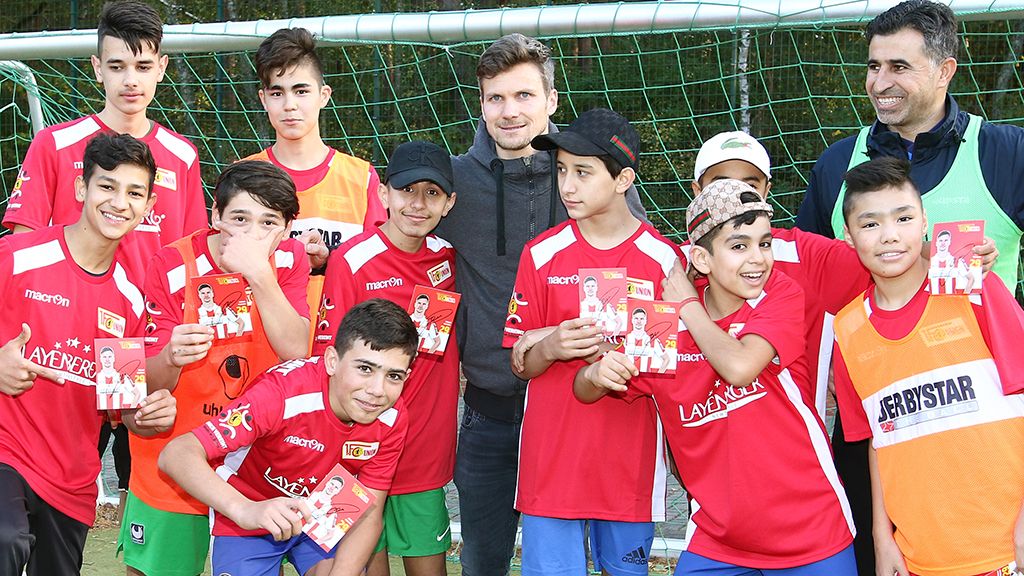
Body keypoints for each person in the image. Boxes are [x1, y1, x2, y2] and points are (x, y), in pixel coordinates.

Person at [794, 2, 1024, 570]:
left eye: (899, 66)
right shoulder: (835, 167)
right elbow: (802, 285)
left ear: (945, 69)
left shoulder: (1005, 153)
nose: (881, 82)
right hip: (884, 426)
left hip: (987, 434)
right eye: (873, 67)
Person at [434, 34, 646, 575]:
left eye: (524, 96)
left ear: (551, 100)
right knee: (484, 559)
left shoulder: (596, 175)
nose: (510, 112)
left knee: (604, 557)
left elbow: (639, 264)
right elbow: (401, 239)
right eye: (496, 98)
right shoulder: (454, 182)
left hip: (587, 408)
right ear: (480, 103)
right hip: (491, 407)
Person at [576, 179, 857, 575]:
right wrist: (597, 372)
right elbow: (584, 390)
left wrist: (688, 308)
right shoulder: (660, 327)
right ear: (702, 259)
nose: (758, 258)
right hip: (718, 540)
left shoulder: (780, 295)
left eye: (764, 243)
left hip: (810, 532)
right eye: (739, 246)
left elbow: (740, 368)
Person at [4, 0, 207, 526]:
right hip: (59, 353)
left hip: (138, 349)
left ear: (162, 68)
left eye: (143, 66)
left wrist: (162, 354)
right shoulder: (56, 144)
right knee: (43, 493)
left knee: (146, 503)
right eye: (117, 66)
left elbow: (183, 264)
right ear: (97, 68)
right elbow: (20, 257)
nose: (130, 81)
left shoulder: (181, 156)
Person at [503, 108, 679, 575]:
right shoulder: (541, 254)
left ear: (623, 179)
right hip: (553, 465)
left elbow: (673, 365)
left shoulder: (664, 260)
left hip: (627, 468)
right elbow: (520, 362)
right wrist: (551, 346)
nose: (567, 186)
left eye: (582, 172)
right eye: (561, 170)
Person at [831, 156, 1024, 576]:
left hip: (1006, 549)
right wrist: (882, 540)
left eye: (903, 218)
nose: (889, 236)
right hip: (920, 559)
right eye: (870, 224)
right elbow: (875, 443)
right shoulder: (847, 329)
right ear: (848, 236)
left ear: (925, 223)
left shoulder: (975, 289)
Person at [121, 160, 311, 576]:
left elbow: (296, 350)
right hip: (174, 455)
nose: (249, 234)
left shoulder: (291, 259)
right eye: (239, 218)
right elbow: (141, 378)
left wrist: (260, 275)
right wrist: (171, 356)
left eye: (268, 223)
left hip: (253, 460)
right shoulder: (171, 263)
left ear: (286, 230)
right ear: (215, 216)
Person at [0, 133, 177, 576]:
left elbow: (120, 406)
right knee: (5, 542)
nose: (120, 202)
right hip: (6, 453)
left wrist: (147, 413)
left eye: (134, 192)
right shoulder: (16, 258)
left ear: (149, 205)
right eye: (107, 186)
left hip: (71, 480)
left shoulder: (129, 303)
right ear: (81, 189)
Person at [159, 299, 417, 576]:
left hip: (322, 517)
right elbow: (176, 453)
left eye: (393, 376)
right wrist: (245, 509)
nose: (377, 390)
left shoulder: (391, 415)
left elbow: (369, 511)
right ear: (332, 360)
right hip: (250, 512)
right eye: (365, 369)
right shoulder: (280, 395)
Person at [313, 140, 459, 576]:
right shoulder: (352, 260)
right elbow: (328, 357)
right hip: (357, 452)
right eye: (406, 190)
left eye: (432, 193)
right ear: (383, 194)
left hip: (424, 450)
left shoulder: (450, 260)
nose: (417, 203)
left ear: (449, 202)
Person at [244, 27, 386, 338]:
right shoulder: (244, 177)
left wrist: (328, 261)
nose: (289, 104)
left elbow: (378, 272)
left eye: (301, 90)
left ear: (324, 96)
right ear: (263, 99)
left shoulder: (361, 178)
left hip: (341, 347)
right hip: (260, 347)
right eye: (277, 92)